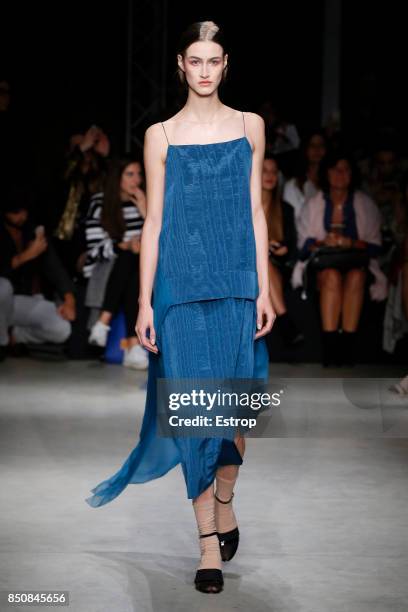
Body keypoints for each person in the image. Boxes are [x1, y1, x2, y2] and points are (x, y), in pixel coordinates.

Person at [85, 20, 274, 594]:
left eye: (213, 60)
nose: (204, 70)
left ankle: (224, 500)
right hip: (180, 290)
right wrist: (144, 301)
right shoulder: (161, 135)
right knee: (196, 417)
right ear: (180, 66)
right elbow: (158, 224)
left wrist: (264, 288)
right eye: (195, 61)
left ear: (225, 65)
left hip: (238, 283)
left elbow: (257, 212)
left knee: (237, 419)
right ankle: (207, 547)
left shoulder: (250, 126)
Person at [294, 150, 385, 366]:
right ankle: (331, 349)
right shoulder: (314, 203)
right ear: (326, 173)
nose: (340, 174)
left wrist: (349, 243)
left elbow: (376, 247)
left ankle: (347, 348)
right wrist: (325, 242)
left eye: (345, 169)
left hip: (359, 265)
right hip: (323, 266)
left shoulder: (365, 204)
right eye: (335, 169)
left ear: (353, 174)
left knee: (355, 277)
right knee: (332, 276)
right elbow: (303, 246)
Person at [84, 154, 148, 369]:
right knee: (129, 257)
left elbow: (163, 242)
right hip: (106, 268)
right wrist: (124, 246)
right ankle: (133, 345)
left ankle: (103, 322)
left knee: (135, 263)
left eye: (139, 174)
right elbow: (93, 250)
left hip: (139, 269)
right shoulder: (100, 202)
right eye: (130, 174)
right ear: (117, 178)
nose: (136, 180)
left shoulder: (144, 201)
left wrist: (146, 212)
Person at [0, 190, 76, 358]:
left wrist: (69, 300)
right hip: (2, 300)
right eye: (15, 212)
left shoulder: (32, 231)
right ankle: (2, 344)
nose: (22, 216)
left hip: (21, 302)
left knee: (61, 329)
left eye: (24, 211)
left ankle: (15, 336)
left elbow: (55, 268)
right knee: (3, 287)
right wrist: (25, 256)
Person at [262, 154, 303, 346]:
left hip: (278, 265)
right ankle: (285, 320)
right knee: (259, 260)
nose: (270, 175)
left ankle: (285, 322)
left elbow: (292, 247)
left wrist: (280, 248)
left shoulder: (285, 209)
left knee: (263, 263)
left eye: (273, 171)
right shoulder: (243, 206)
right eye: (264, 170)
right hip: (251, 264)